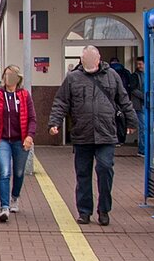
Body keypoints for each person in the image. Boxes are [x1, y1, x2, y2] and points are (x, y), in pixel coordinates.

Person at [48, 45, 138, 225]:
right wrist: (54, 122)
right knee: (83, 175)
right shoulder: (73, 78)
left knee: (105, 169)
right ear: (82, 60)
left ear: (98, 59)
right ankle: (84, 211)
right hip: (82, 134)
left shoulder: (112, 75)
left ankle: (104, 209)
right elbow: (61, 102)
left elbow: (123, 99)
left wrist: (132, 121)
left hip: (106, 133)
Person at [0, 64, 37, 222]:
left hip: (20, 139)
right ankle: (4, 207)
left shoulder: (24, 95)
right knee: (4, 172)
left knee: (18, 172)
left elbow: (32, 118)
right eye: (6, 75)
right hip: (2, 140)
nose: (8, 78)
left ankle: (15, 197)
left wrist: (29, 136)